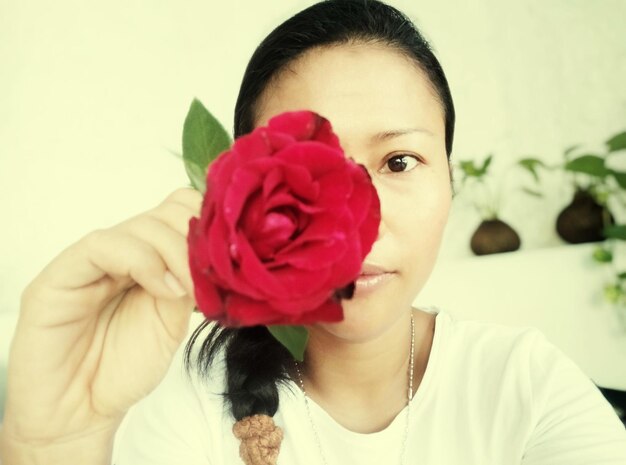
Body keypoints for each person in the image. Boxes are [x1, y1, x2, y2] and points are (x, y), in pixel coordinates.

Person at [1, 0, 625, 464]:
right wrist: (53, 442)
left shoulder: (527, 384)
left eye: (399, 162)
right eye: (312, 165)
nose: (359, 216)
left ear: (451, 185)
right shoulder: (179, 406)